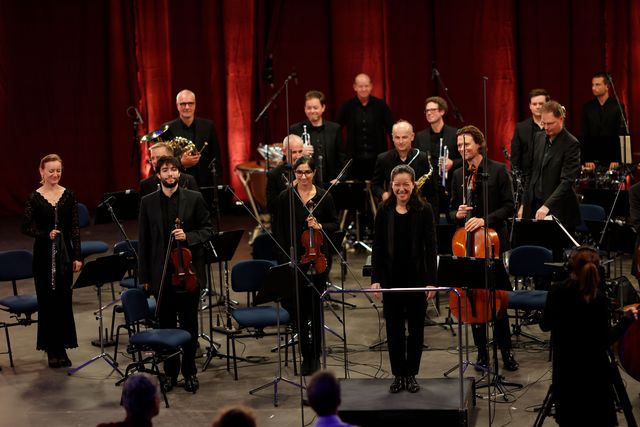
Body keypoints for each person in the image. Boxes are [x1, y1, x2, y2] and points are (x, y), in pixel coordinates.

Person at [138, 155, 214, 393]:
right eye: (165, 170)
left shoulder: (194, 198)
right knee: (166, 326)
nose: (170, 174)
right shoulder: (147, 202)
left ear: (179, 173)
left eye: (173, 170)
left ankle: (189, 372)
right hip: (162, 275)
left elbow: (208, 229)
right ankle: (170, 373)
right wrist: (145, 278)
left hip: (188, 274)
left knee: (189, 325)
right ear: (158, 174)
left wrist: (188, 236)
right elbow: (144, 241)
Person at [539, 246, 638, 427]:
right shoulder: (598, 299)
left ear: (570, 267)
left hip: (565, 372)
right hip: (594, 376)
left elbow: (544, 326)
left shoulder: (556, 291)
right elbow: (605, 340)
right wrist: (625, 320)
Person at [449, 125, 518, 372]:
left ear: (479, 144)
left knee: (496, 300)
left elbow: (509, 207)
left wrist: (484, 220)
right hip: (468, 245)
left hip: (493, 242)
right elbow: (450, 210)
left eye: (466, 144)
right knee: (472, 298)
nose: (462, 149)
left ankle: (506, 352)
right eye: (459, 145)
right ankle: (481, 353)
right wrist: (456, 214)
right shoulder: (458, 174)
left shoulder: (498, 170)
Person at [371, 164, 438, 393]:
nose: (401, 189)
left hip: (417, 278)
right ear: (391, 185)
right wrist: (376, 279)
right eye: (397, 185)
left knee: (416, 330)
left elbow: (431, 247)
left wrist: (431, 281)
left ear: (413, 185)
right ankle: (398, 374)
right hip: (391, 279)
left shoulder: (424, 209)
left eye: (406, 185)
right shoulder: (384, 209)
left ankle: (411, 374)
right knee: (394, 330)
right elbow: (378, 246)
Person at [272, 156, 338, 375]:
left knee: (316, 309)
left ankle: (316, 354)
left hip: (319, 258)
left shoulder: (324, 196)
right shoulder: (286, 197)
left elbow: (335, 224)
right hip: (295, 260)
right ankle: (305, 354)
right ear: (294, 173)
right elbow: (279, 231)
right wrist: (285, 259)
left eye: (307, 172)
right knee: (299, 310)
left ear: (314, 173)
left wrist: (320, 226)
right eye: (299, 172)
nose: (303, 176)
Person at [22, 154, 82, 368]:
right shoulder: (34, 197)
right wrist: (45, 234)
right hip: (43, 255)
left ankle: (62, 347)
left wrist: (78, 256)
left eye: (58, 170)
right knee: (48, 302)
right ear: (42, 171)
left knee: (63, 300)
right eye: (51, 171)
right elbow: (25, 227)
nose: (55, 174)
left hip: (65, 254)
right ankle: (51, 349)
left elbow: (74, 228)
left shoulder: (69, 195)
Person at [520, 101, 581, 231]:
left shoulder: (571, 143)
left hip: (558, 209)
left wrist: (547, 205)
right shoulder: (538, 137)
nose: (546, 127)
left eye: (550, 123)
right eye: (544, 123)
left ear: (561, 119)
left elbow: (567, 181)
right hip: (534, 205)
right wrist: (524, 204)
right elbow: (530, 174)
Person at [371, 120, 439, 220]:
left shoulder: (423, 158)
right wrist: (383, 194)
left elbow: (432, 192)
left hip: (418, 212)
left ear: (412, 136)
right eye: (397, 137)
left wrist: (434, 219)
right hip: (392, 212)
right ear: (392, 138)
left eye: (404, 137)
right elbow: (375, 185)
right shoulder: (383, 159)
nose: (401, 141)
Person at [337, 73, 393, 181]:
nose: (363, 89)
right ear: (355, 87)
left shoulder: (381, 105)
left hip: (377, 158)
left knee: (377, 187)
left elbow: (391, 130)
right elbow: (337, 130)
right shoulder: (347, 106)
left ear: (371, 86)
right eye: (360, 86)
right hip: (354, 160)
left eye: (366, 86)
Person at [163, 89, 221, 188]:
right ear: (177, 106)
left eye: (190, 103)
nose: (187, 107)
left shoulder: (208, 126)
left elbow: (216, 157)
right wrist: (181, 162)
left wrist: (218, 185)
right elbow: (164, 160)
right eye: (183, 104)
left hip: (205, 184)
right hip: (178, 184)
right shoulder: (167, 128)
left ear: (195, 105)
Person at [415, 96, 461, 219]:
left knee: (451, 220)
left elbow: (465, 159)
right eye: (427, 110)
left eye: (432, 110)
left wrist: (452, 163)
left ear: (442, 111)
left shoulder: (455, 133)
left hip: (450, 185)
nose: (429, 113)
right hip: (429, 188)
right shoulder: (420, 136)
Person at [290, 90, 345, 186]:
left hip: (330, 183)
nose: (312, 111)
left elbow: (342, 158)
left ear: (323, 108)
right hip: (305, 183)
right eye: (309, 108)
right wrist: (300, 153)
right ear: (304, 109)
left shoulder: (335, 129)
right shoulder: (295, 129)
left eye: (315, 108)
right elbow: (287, 158)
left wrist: (339, 178)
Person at [581, 71, 626, 171]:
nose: (593, 88)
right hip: (593, 159)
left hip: (612, 159)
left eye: (597, 85)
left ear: (607, 86)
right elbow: (584, 133)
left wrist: (616, 158)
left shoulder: (617, 107)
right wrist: (587, 157)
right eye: (592, 85)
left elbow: (621, 133)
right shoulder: (587, 108)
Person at [510, 88, 550, 188]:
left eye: (541, 104)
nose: (538, 107)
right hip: (527, 182)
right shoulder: (521, 128)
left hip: (551, 179)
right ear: (530, 106)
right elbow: (515, 158)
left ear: (548, 104)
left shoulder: (555, 126)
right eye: (534, 104)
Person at [266, 134, 313, 215]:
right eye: (294, 152)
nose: (298, 156)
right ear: (284, 151)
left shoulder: (310, 171)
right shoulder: (274, 174)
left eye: (300, 151)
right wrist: (288, 190)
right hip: (285, 218)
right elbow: (271, 207)